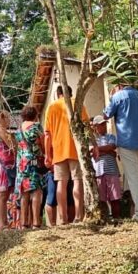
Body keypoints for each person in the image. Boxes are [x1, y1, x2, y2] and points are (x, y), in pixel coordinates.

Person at [102, 82, 138, 222]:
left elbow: (105, 115)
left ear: (119, 84)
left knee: (133, 178)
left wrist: (112, 98)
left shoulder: (118, 96)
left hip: (127, 143)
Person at [44, 85, 88, 224]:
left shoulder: (52, 107)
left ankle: (62, 219)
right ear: (71, 93)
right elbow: (86, 126)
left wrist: (47, 155)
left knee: (61, 183)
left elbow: (47, 134)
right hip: (76, 148)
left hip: (58, 149)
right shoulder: (77, 103)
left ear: (58, 94)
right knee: (77, 180)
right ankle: (78, 216)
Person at [15, 105, 46, 228]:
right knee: (37, 191)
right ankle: (36, 222)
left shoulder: (19, 129)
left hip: (22, 164)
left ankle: (24, 222)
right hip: (34, 161)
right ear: (35, 115)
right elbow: (42, 142)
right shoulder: (36, 126)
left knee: (25, 193)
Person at [90, 115, 123, 219]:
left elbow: (112, 146)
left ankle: (116, 218)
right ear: (95, 127)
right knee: (102, 199)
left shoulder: (111, 137)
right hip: (98, 172)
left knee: (115, 197)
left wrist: (98, 149)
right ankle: (105, 218)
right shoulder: (92, 140)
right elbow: (91, 152)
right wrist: (109, 152)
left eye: (104, 124)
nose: (103, 126)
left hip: (112, 170)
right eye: (101, 125)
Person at [0, 110, 18, 230]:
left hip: (5, 165)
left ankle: (4, 223)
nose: (9, 120)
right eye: (7, 118)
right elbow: (12, 145)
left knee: (4, 194)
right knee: (2, 195)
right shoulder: (1, 131)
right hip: (4, 167)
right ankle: (2, 223)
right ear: (2, 119)